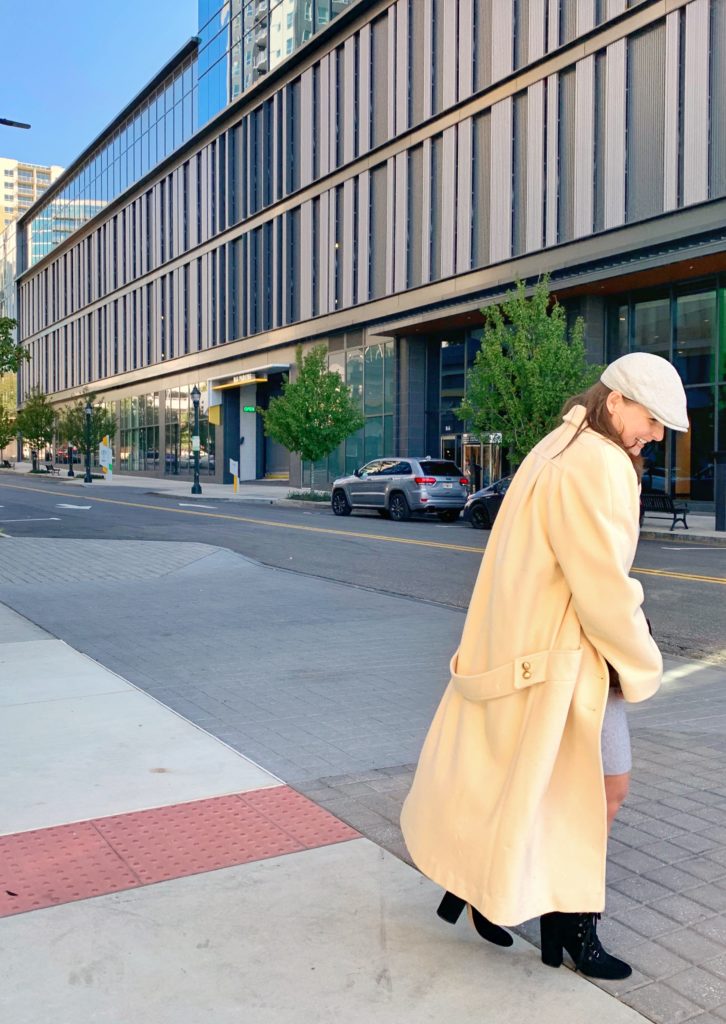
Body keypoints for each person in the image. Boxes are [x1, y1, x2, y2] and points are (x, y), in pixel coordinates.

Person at [400, 352, 689, 980]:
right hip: (577, 658)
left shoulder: (555, 447)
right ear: (615, 401)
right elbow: (604, 586)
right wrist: (643, 664)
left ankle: (489, 891)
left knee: (534, 786)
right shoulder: (602, 464)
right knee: (602, 792)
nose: (658, 435)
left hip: (534, 652)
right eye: (653, 419)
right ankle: (571, 928)